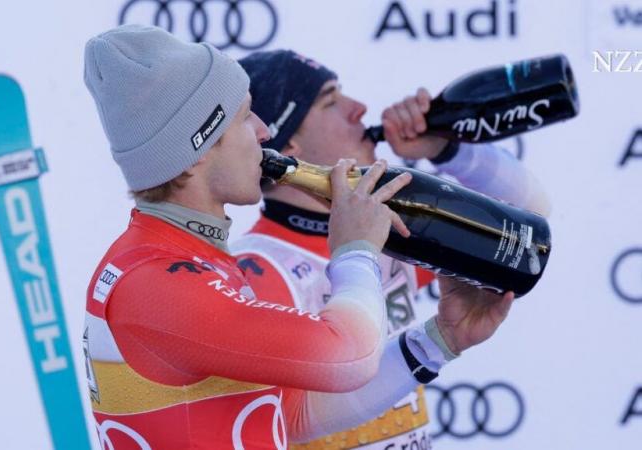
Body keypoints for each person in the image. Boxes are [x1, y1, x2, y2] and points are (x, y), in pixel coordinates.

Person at [82, 25, 515, 449]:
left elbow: (292, 414)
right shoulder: (155, 282)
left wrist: (439, 341)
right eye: (242, 117)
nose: (264, 131)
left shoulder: (180, 256)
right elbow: (348, 357)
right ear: (194, 153)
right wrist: (355, 249)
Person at [231, 50, 551, 449]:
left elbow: (522, 233)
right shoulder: (258, 269)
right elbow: (284, 420)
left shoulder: (387, 230)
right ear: (287, 141)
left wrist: (446, 150)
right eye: (330, 101)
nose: (359, 108)